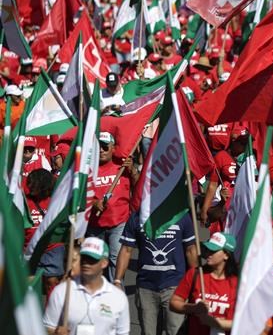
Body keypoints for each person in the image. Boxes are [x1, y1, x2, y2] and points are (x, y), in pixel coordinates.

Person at [114, 212, 199, 335]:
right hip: (145, 287)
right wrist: (117, 280)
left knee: (176, 331)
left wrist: (196, 282)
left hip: (175, 287)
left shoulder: (181, 216)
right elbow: (126, 249)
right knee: (148, 332)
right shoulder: (137, 217)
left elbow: (191, 249)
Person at [43, 237, 130, 335]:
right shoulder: (62, 291)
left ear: (104, 263)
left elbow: (123, 333)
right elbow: (47, 328)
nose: (86, 263)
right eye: (83, 258)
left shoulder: (118, 297)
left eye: (92, 260)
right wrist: (55, 333)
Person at [86, 131, 139, 281]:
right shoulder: (88, 169)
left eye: (105, 147)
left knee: (116, 261)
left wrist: (133, 171)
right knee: (96, 262)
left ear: (113, 148)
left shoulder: (123, 166)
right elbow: (79, 196)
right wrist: (94, 203)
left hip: (119, 223)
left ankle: (116, 291)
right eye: (99, 147)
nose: (101, 150)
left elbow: (138, 188)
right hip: (95, 225)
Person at [170, 232, 238, 335]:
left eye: (213, 250)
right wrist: (193, 308)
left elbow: (244, 322)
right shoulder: (195, 274)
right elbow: (173, 303)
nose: (208, 253)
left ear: (226, 255)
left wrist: (214, 322)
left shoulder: (237, 283)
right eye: (207, 249)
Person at [24, 169, 62, 295]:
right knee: (30, 282)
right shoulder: (25, 201)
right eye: (29, 183)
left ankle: (52, 305)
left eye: (33, 184)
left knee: (52, 280)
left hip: (52, 247)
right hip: (30, 248)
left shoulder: (56, 200)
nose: (30, 186)